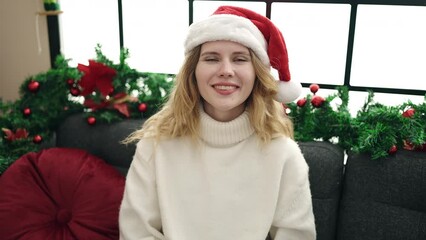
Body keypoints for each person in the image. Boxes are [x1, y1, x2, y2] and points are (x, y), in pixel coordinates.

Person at [119, 5, 316, 240]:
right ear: (193, 72)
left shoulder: (284, 154)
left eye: (240, 59)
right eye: (211, 58)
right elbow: (136, 233)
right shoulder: (155, 145)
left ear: (257, 74)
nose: (226, 71)